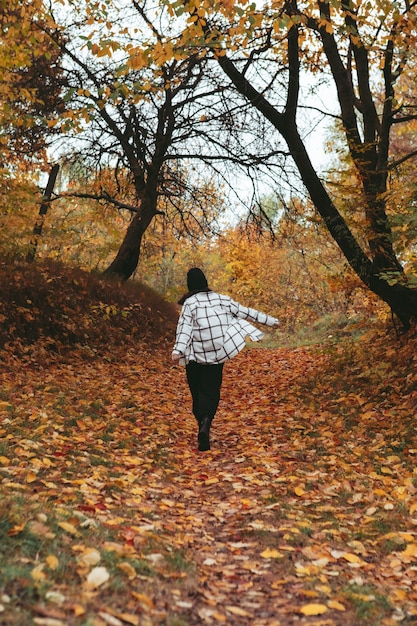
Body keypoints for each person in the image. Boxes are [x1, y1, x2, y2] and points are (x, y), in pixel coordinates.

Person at [172, 268, 279, 451]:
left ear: (190, 285)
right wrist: (270, 321)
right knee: (211, 391)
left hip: (195, 357)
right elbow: (246, 312)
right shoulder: (222, 299)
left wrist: (178, 350)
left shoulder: (189, 304)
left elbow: (185, 329)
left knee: (196, 393)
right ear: (205, 282)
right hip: (217, 354)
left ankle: (202, 423)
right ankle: (206, 423)